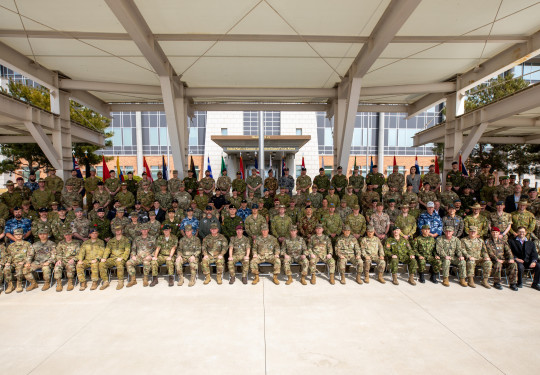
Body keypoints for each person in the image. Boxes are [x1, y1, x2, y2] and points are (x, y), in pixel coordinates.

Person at [485, 227, 518, 291]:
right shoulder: (488, 241)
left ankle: (513, 283)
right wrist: (496, 259)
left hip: (503, 259)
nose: (495, 234)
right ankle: (497, 282)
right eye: (493, 232)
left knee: (514, 264)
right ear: (491, 233)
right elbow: (489, 252)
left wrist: (511, 258)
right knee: (498, 264)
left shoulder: (503, 242)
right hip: (494, 260)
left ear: (499, 233)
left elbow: (508, 251)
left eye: (496, 232)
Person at [99, 225, 131, 290]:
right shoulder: (111, 240)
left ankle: (120, 281)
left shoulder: (126, 240)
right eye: (116, 230)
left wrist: (122, 258)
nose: (117, 231)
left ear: (121, 231)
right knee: (102, 264)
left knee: (119, 263)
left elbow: (127, 250)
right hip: (112, 258)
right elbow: (107, 250)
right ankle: (105, 281)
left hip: (121, 258)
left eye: (119, 230)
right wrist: (104, 258)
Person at [508, 226, 540, 290]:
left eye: (523, 232)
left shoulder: (530, 243)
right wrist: (515, 258)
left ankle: (536, 284)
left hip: (528, 261)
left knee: (539, 266)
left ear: (525, 233)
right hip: (518, 260)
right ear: (517, 232)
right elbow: (509, 252)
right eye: (520, 232)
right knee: (520, 267)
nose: (521, 233)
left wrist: (533, 261)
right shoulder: (511, 242)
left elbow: (534, 253)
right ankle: (519, 282)